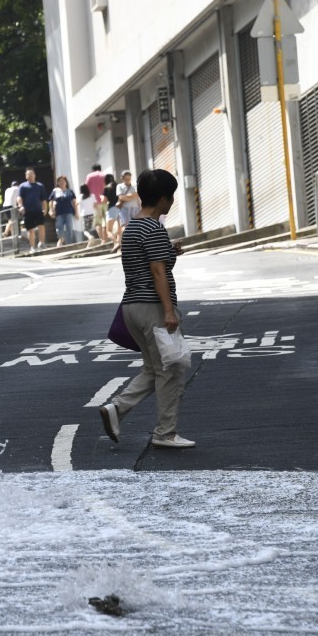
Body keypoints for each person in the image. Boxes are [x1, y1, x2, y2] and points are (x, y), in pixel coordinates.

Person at [99, 168, 195, 449]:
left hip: (132, 307)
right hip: (153, 307)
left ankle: (117, 409)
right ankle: (165, 433)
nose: (172, 201)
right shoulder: (153, 228)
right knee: (172, 368)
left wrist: (169, 252)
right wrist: (168, 310)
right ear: (164, 198)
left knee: (156, 368)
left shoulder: (132, 228)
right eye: (172, 196)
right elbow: (156, 272)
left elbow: (151, 262)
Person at [16, 168, 47, 253]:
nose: (30, 176)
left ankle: (41, 243)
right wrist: (20, 206)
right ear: (26, 176)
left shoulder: (39, 186)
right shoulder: (23, 186)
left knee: (41, 226)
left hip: (38, 210)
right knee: (31, 229)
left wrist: (45, 208)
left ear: (34, 175)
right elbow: (19, 197)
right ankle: (32, 247)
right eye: (28, 174)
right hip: (28, 211)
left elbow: (43, 198)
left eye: (31, 174)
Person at [48, 176, 79, 246]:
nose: (61, 182)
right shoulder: (55, 191)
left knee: (69, 228)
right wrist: (51, 210)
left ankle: (69, 244)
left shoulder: (70, 191)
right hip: (59, 213)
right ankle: (61, 239)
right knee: (59, 227)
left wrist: (76, 212)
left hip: (69, 212)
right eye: (60, 181)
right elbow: (51, 201)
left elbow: (74, 202)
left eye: (63, 181)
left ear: (66, 182)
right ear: (58, 183)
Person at [113, 170, 139, 252]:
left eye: (129, 179)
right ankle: (124, 244)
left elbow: (137, 196)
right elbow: (121, 198)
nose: (128, 181)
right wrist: (131, 196)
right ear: (122, 178)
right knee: (126, 227)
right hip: (124, 209)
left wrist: (127, 197)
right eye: (126, 179)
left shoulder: (134, 185)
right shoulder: (119, 186)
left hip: (135, 208)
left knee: (135, 227)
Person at [85, 164, 108, 242]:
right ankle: (107, 238)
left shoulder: (89, 176)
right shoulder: (104, 175)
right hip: (105, 200)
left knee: (98, 223)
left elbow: (86, 189)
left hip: (95, 203)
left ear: (92, 169)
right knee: (106, 220)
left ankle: (103, 240)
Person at [103, 173, 121, 248]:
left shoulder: (106, 188)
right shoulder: (118, 186)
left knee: (108, 231)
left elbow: (104, 200)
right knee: (120, 230)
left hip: (111, 209)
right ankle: (119, 245)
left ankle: (115, 242)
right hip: (121, 208)